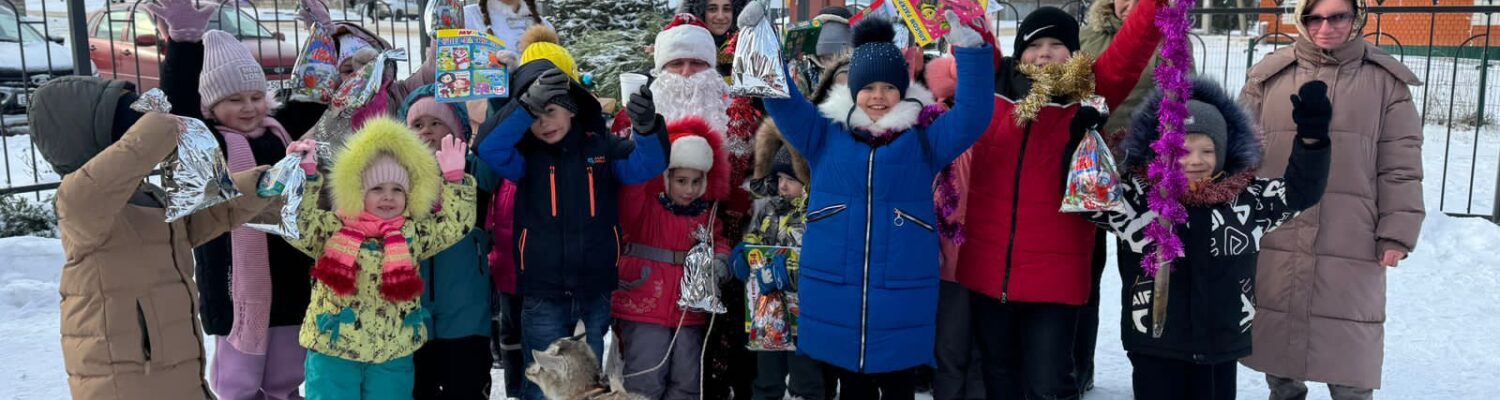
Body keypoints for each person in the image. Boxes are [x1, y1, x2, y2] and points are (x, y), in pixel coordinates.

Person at [745, 5, 995, 396]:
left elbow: (975, 114)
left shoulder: (924, 139)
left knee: (898, 385)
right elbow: (782, 100)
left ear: (903, 90)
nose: (879, 97)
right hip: (837, 292)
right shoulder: (823, 134)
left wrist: (969, 47)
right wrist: (762, 40)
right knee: (852, 387)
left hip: (901, 293)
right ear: (852, 91)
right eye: (869, 88)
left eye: (889, 88)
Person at [953, 3, 1163, 398]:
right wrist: (959, 23)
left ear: (1075, 52)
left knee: (1050, 383)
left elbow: (1132, 47)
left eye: (1056, 44)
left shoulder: (1089, 92)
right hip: (987, 270)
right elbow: (973, 37)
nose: (1044, 52)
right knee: (998, 377)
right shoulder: (993, 85)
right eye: (1034, 44)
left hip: (1056, 277)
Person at [30, 76, 280, 399]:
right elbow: (137, 150)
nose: (134, 126)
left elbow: (207, 216)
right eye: (123, 121)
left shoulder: (147, 195)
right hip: (124, 381)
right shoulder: (80, 202)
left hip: (176, 368)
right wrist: (160, 124)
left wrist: (260, 186)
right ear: (86, 137)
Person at [1089, 79, 1333, 400]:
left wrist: (1312, 139)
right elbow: (1088, 199)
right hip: (1155, 341)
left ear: (1225, 150)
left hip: (1220, 342)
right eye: (1182, 150)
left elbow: (1301, 191)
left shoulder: (1246, 201)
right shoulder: (1138, 199)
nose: (1195, 161)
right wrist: (1082, 140)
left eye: (1208, 150)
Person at [1238, 0, 1426, 397]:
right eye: (1316, 17)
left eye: (1338, 16)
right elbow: (1240, 153)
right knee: (1280, 349)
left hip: (1350, 233)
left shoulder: (1385, 81)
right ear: (1302, 20)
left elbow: (1401, 164)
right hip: (1281, 229)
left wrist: (1396, 232)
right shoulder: (1270, 76)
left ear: (1356, 17)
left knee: (1351, 355)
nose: (1327, 27)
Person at [476, 56, 669, 400]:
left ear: (573, 108)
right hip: (542, 293)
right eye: (534, 116)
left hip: (593, 292)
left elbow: (648, 164)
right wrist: (522, 107)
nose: (544, 123)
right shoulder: (524, 158)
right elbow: (488, 148)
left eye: (551, 110)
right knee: (544, 384)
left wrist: (647, 128)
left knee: (584, 382)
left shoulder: (603, 150)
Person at [282, 118, 476, 400]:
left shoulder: (412, 234)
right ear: (358, 191)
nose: (388, 197)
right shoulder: (331, 229)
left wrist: (455, 181)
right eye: (376, 189)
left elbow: (455, 225)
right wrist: (306, 178)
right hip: (333, 351)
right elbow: (297, 224)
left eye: (397, 189)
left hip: (392, 352)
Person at [399, 84, 506, 400]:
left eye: (437, 123)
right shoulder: (396, 178)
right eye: (417, 125)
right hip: (412, 315)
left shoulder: (475, 170)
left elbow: (497, 140)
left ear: (457, 129)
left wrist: (498, 95)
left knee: (467, 389)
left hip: (465, 314)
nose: (427, 132)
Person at [612, 117, 731, 399]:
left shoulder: (706, 214)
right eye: (680, 181)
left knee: (687, 381)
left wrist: (721, 261)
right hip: (644, 305)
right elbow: (631, 190)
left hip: (690, 312)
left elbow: (719, 241)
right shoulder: (645, 206)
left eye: (696, 181)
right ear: (665, 177)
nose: (688, 189)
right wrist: (644, 139)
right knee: (645, 378)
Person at [736, 119, 823, 400]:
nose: (783, 186)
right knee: (768, 375)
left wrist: (793, 272)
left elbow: (819, 259)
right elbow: (756, 242)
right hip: (767, 310)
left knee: (806, 377)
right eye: (780, 179)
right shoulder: (769, 209)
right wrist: (744, 256)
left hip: (805, 314)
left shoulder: (815, 215)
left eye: (791, 180)